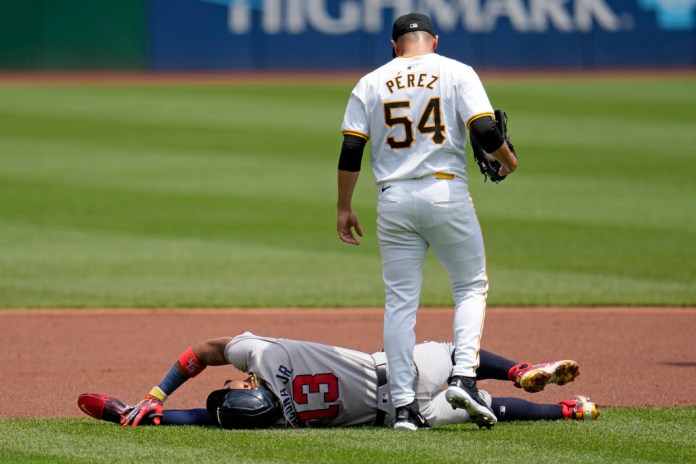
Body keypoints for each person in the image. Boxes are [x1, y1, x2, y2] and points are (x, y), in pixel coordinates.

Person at [335, 12, 518, 430]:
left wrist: (344, 207)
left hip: (393, 198)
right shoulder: (456, 70)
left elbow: (350, 150)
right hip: (445, 192)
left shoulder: (370, 81)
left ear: (394, 45)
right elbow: (487, 130)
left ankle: (402, 409)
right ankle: (464, 378)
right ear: (433, 40)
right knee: (470, 286)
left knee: (400, 303)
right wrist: (509, 161)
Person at [78, 332, 598, 430]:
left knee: (485, 406)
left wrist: (142, 414)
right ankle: (519, 369)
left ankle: (572, 410)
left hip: (400, 415)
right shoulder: (268, 353)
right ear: (247, 385)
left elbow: (202, 418)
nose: (232, 385)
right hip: (396, 368)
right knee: (461, 357)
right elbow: (204, 352)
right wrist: (156, 393)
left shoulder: (281, 421)